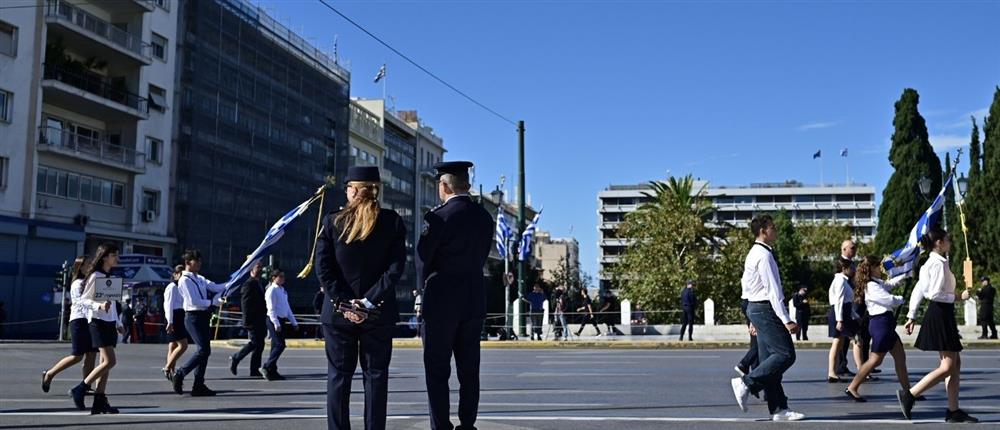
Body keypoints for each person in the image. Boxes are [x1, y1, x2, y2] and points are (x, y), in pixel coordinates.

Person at [315, 165, 406, 430]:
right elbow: (395, 270)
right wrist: (367, 302)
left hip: (337, 315)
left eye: (348, 188)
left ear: (354, 190)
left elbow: (324, 269)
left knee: (338, 378)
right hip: (378, 313)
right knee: (376, 378)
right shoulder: (392, 222)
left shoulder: (332, 221)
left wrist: (344, 303)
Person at [417, 161, 494, 430]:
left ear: (445, 185)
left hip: (440, 302)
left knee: (437, 371)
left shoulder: (438, 217)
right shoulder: (484, 217)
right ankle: (467, 424)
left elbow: (423, 256)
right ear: (467, 184)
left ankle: (441, 426)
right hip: (473, 299)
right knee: (469, 370)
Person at [897, 226, 978, 423]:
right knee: (949, 365)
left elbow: (918, 289)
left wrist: (911, 315)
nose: (950, 242)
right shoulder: (939, 263)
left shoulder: (930, 263)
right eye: (948, 239)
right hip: (940, 313)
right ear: (939, 243)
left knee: (955, 364)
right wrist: (959, 296)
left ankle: (953, 410)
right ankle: (910, 394)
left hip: (941, 313)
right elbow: (933, 293)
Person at [731, 215, 804, 421]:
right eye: (773, 227)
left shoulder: (754, 253)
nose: (776, 230)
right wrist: (786, 319)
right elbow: (773, 291)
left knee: (767, 360)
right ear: (763, 230)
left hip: (756, 309)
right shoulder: (763, 256)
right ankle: (746, 382)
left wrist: (750, 315)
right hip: (765, 309)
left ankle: (779, 409)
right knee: (786, 354)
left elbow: (746, 288)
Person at [844, 256, 912, 402]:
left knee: (900, 357)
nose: (881, 269)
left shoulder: (876, 283)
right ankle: (853, 387)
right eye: (878, 267)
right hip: (881, 324)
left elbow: (889, 284)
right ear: (871, 269)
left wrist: (905, 275)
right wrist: (902, 299)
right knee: (875, 360)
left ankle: (909, 392)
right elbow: (888, 299)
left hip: (885, 324)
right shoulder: (871, 286)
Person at [70, 243, 126, 414]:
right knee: (110, 361)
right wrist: (98, 306)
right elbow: (82, 300)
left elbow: (114, 304)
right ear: (105, 257)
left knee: (105, 363)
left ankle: (99, 400)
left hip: (109, 323)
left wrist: (118, 323)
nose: (117, 258)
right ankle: (80, 388)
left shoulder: (110, 276)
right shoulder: (95, 276)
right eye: (114, 255)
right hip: (97, 322)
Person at [170, 249, 227, 397]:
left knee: (205, 351)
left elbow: (215, 287)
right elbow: (194, 301)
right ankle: (180, 373)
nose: (200, 263)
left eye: (200, 260)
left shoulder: (200, 278)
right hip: (193, 317)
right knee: (203, 350)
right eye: (197, 260)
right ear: (188, 263)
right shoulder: (184, 280)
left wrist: (231, 282)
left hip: (203, 316)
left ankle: (198, 384)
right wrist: (212, 302)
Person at [42, 256, 98, 393]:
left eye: (91, 264)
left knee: (91, 354)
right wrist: (96, 305)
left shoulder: (90, 282)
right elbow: (80, 301)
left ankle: (86, 385)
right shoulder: (78, 283)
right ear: (80, 267)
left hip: (90, 320)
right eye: (87, 265)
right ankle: (50, 373)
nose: (90, 267)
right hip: (78, 320)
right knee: (77, 355)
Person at [826, 258, 861, 382]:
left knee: (841, 342)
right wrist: (840, 320)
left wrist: (855, 315)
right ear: (843, 269)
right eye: (851, 268)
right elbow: (839, 301)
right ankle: (861, 370)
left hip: (843, 313)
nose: (853, 270)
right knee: (850, 340)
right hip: (839, 314)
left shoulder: (843, 281)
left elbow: (847, 302)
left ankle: (833, 372)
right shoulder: (840, 280)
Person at [230, 261, 267, 378]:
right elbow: (245, 304)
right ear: (251, 269)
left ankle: (254, 369)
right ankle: (236, 357)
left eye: (261, 267)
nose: (260, 269)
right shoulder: (248, 284)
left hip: (260, 319)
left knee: (260, 345)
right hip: (252, 320)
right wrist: (246, 322)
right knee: (255, 343)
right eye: (258, 267)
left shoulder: (260, 283)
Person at [262, 269, 298, 380]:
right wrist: (276, 323)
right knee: (280, 344)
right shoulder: (271, 290)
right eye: (280, 276)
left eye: (283, 276)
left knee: (275, 346)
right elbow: (271, 308)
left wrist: (294, 322)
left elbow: (287, 308)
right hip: (273, 320)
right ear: (274, 277)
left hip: (281, 319)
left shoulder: (283, 291)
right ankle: (267, 366)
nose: (283, 278)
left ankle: (272, 370)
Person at [834, 239, 860, 377]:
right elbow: (839, 292)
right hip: (844, 305)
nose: (854, 250)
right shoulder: (840, 265)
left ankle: (844, 364)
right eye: (852, 248)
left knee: (847, 338)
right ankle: (840, 366)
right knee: (843, 338)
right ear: (843, 249)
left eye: (855, 248)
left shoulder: (852, 264)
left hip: (850, 304)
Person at [162, 265, 189, 380]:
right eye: (179, 273)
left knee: (173, 345)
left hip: (180, 315)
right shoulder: (172, 287)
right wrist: (170, 321)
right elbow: (168, 305)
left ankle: (170, 370)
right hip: (174, 316)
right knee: (183, 345)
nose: (182, 276)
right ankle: (168, 367)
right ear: (175, 274)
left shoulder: (182, 286)